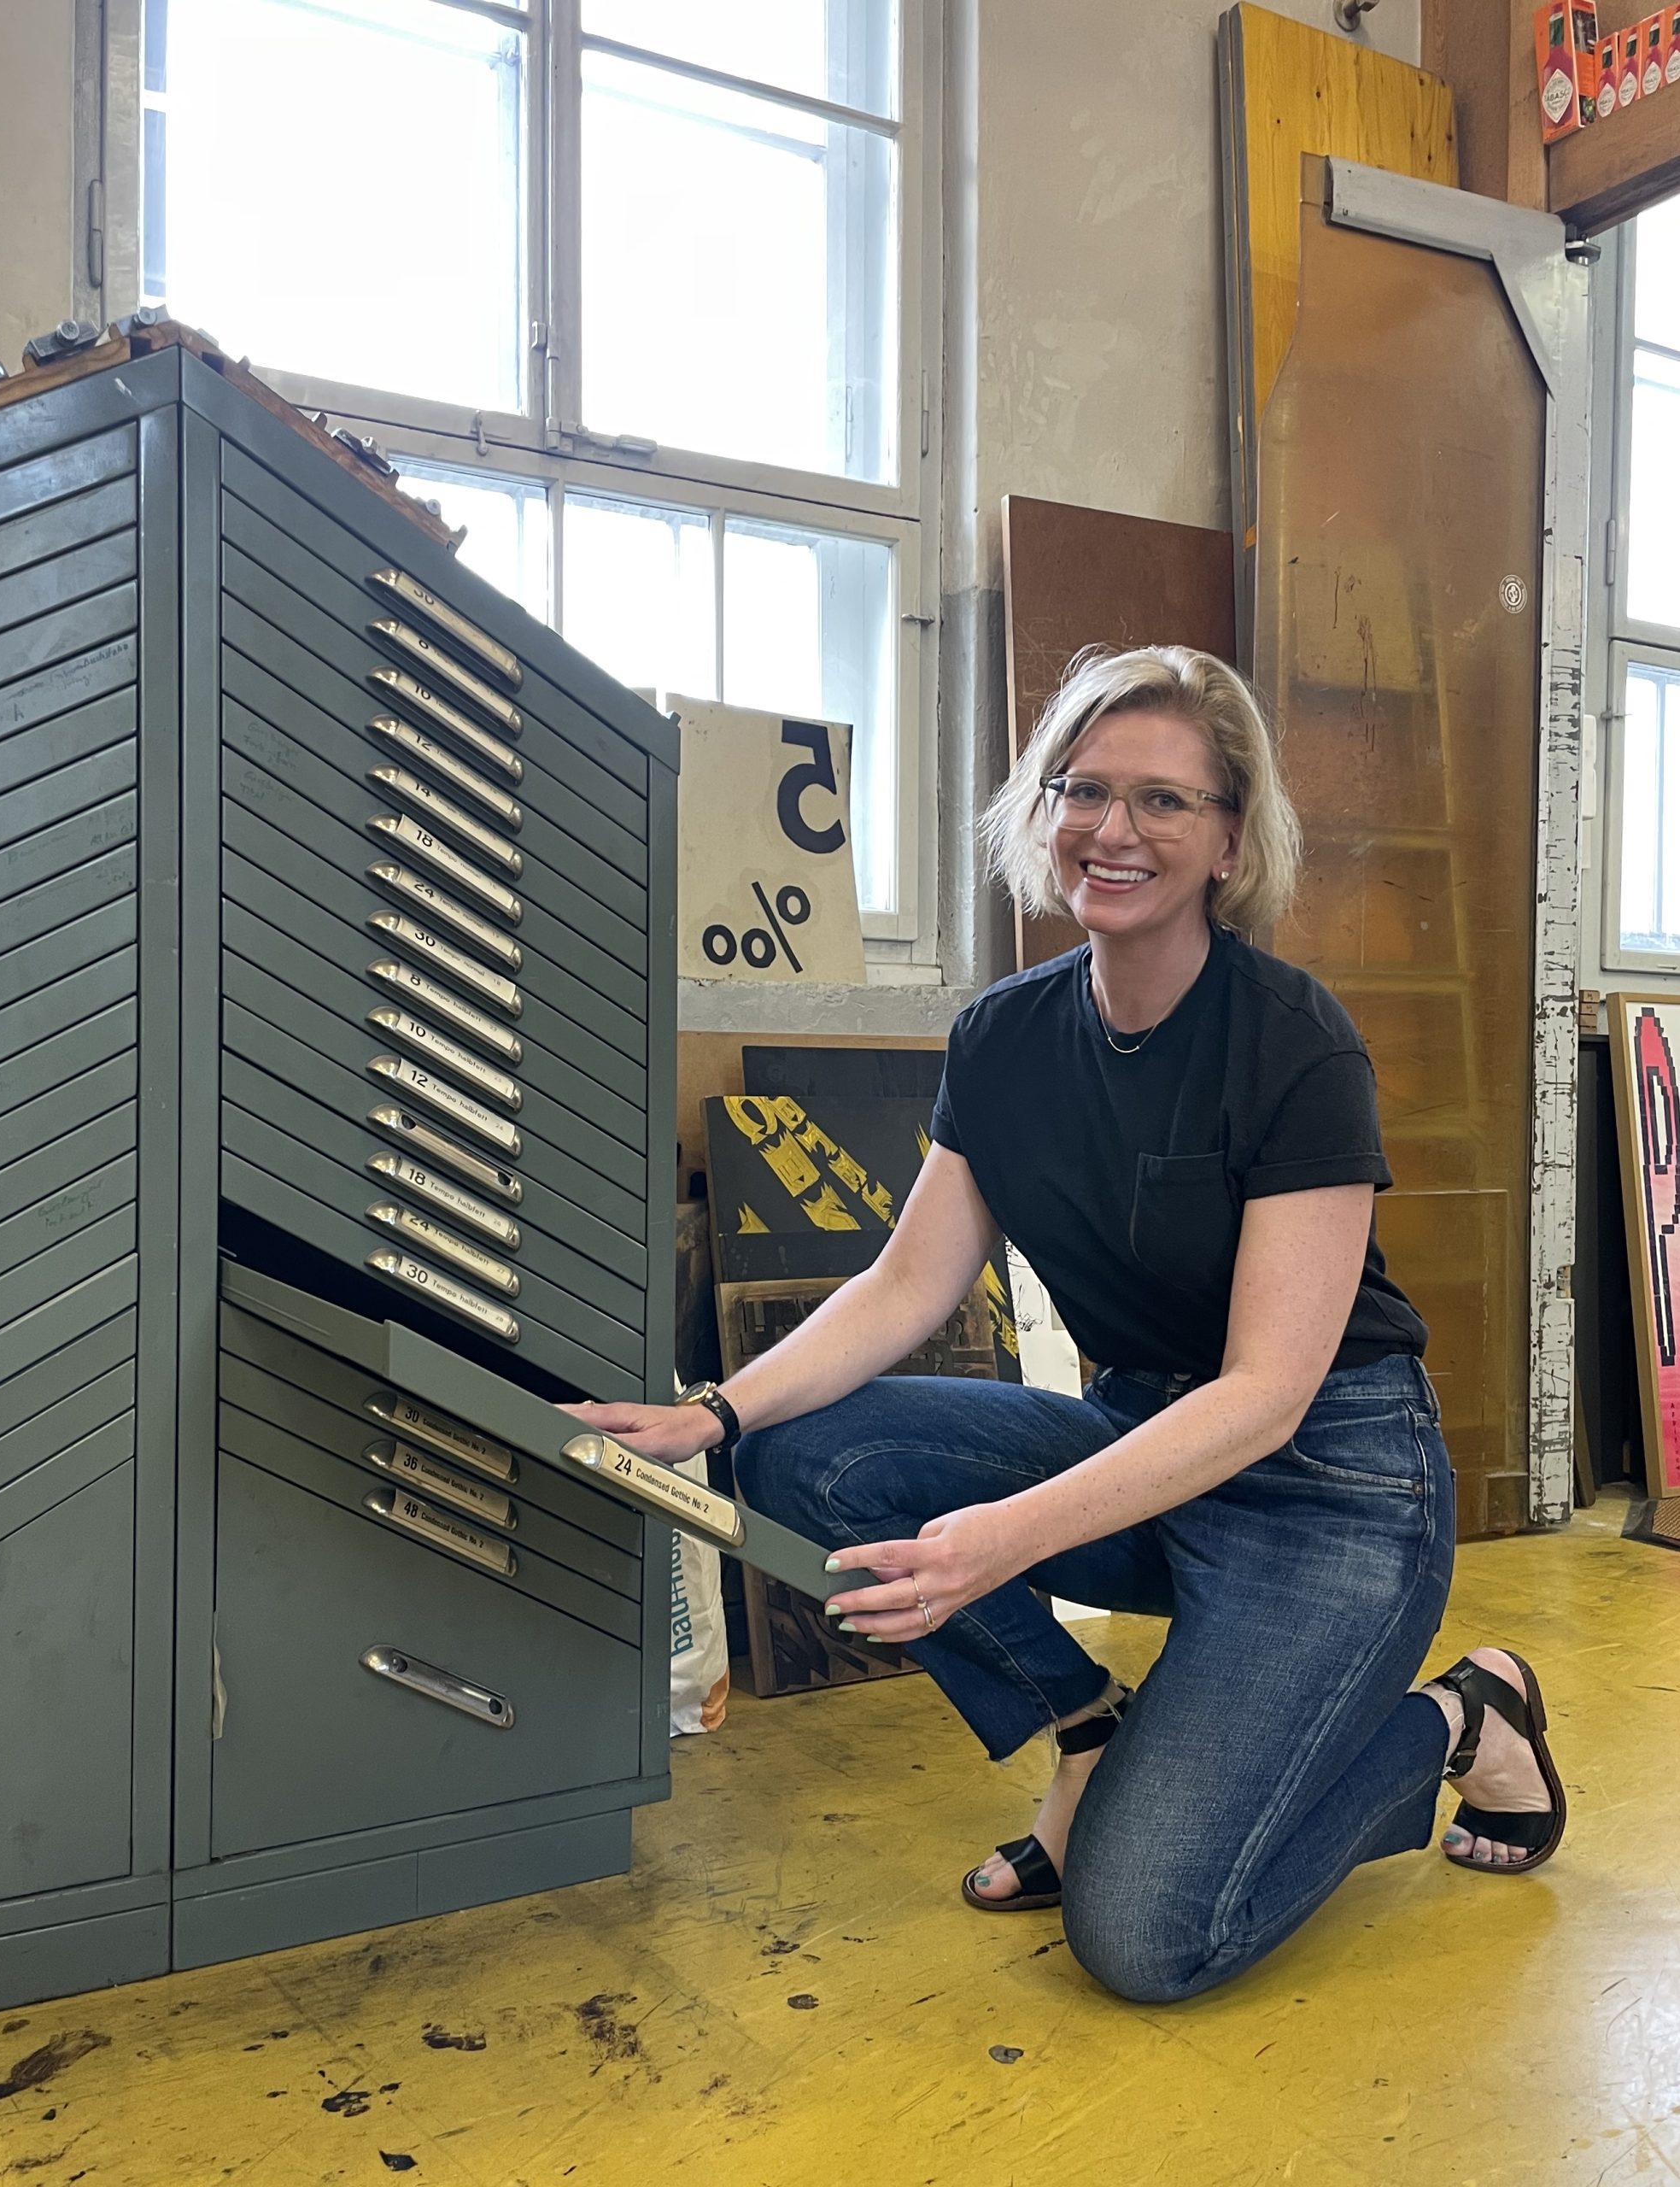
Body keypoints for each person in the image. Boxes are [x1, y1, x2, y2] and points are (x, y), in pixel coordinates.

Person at [565, 646, 1565, 2005]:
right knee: (798, 1457)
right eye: (1081, 789)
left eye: (1163, 800)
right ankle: (1084, 1731)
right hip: (1139, 1444)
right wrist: (712, 1413)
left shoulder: (1292, 1044)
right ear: (1040, 814)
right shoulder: (1001, 1037)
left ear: (1228, 838)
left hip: (1326, 1492)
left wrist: (1003, 1541)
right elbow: (904, 1288)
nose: (1112, 830)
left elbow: (1269, 1393)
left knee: (1151, 1939)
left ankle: (1460, 1714)